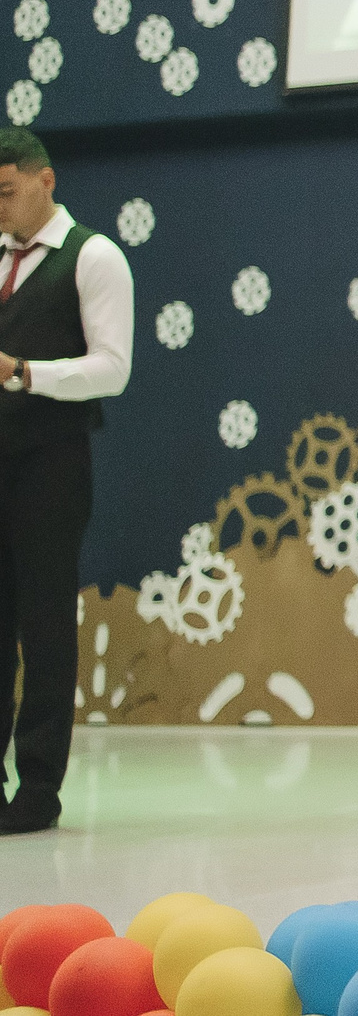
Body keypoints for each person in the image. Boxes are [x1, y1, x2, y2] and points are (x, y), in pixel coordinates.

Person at [0, 127, 134, 835]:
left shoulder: (94, 256)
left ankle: (40, 785)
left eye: (6, 190)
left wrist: (26, 372)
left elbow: (114, 366)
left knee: (44, 622)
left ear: (45, 180)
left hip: (52, 460)